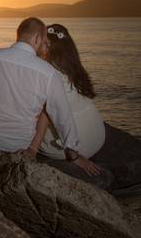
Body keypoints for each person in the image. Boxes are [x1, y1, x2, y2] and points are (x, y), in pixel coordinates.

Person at [0, 17, 100, 175]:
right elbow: (62, 115)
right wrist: (73, 153)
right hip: (18, 144)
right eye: (44, 40)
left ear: (19, 34)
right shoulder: (48, 72)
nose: (44, 46)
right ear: (37, 38)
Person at [27, 23, 105, 161]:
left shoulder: (49, 73)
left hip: (77, 147)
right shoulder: (73, 67)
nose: (37, 46)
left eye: (43, 43)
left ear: (50, 48)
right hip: (97, 137)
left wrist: (33, 148)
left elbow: (46, 114)